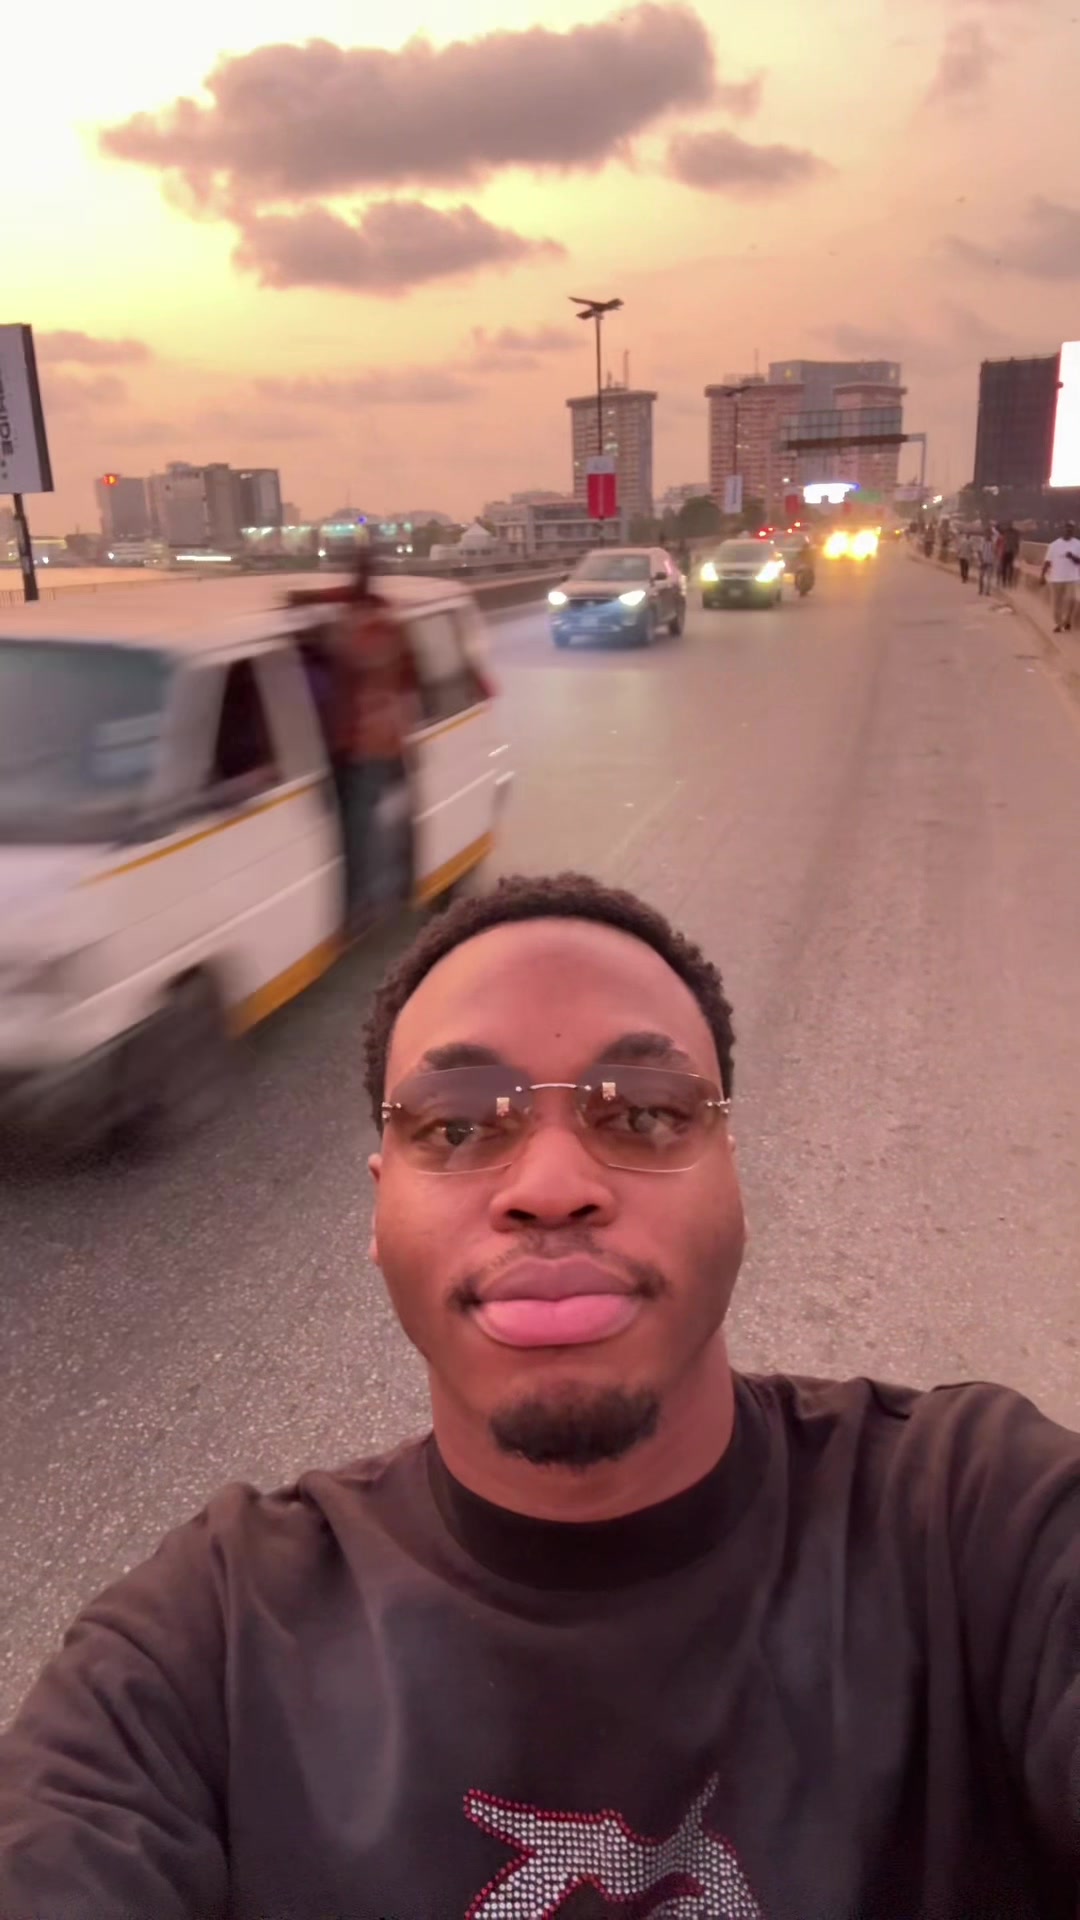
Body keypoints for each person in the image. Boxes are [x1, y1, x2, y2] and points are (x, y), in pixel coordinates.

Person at [1, 873, 1078, 1919]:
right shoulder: (213, 1649)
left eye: (645, 1113)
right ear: (380, 1207)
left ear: (734, 1180)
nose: (553, 1188)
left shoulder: (975, 1524)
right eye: (457, 1127)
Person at [326, 553, 419, 932]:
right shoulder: (382, 618)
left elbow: (360, 658)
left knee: (361, 828)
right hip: (380, 739)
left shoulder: (375, 629)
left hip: (371, 743)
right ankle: (385, 894)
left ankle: (364, 906)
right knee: (383, 821)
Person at [1040, 520, 1080, 632]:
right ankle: (1058, 624)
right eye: (1067, 528)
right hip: (1056, 578)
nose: (1068, 530)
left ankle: (1067, 621)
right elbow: (1047, 561)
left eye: (1071, 528)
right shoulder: (1054, 545)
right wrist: (1042, 575)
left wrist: (1072, 557)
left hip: (1072, 578)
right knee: (1056, 603)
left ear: (1073, 530)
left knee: (1072, 600)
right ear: (1063, 529)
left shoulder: (1078, 544)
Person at [978, 525, 996, 595]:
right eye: (988, 533)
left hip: (989, 562)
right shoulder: (983, 542)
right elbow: (979, 551)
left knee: (988, 577)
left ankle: (986, 591)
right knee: (982, 577)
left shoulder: (992, 543)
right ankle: (981, 590)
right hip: (984, 561)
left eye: (989, 534)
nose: (988, 535)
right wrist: (981, 560)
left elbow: (994, 552)